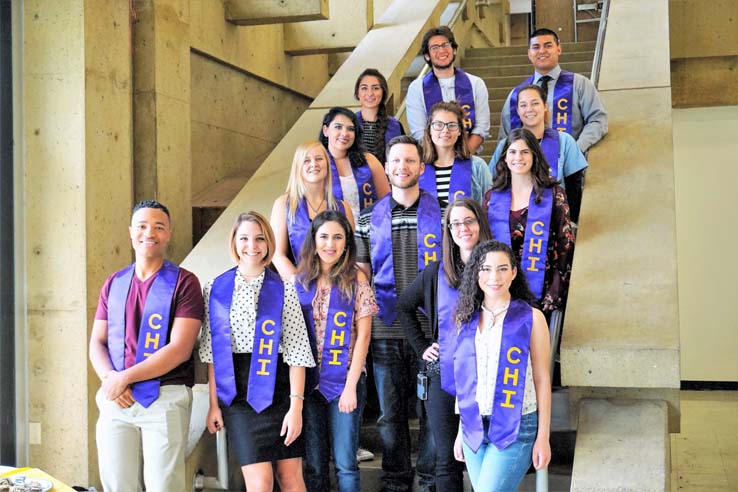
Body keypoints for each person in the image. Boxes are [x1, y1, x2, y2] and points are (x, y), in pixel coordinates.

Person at [89, 200, 203, 492]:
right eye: (141, 226)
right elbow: (97, 343)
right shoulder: (114, 283)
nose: (148, 233)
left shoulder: (184, 283)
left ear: (168, 234)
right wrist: (111, 381)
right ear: (130, 232)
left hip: (163, 396)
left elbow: (180, 348)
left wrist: (124, 377)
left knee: (164, 486)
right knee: (117, 484)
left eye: (158, 227)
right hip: (117, 399)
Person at [199, 211, 315, 492]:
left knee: (290, 478)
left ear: (268, 243)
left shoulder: (285, 290)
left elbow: (297, 353)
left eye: (260, 238)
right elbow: (213, 355)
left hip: (280, 391)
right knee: (260, 483)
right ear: (234, 242)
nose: (252, 245)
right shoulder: (215, 289)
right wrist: (214, 404)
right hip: (238, 397)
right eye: (245, 238)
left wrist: (295, 408)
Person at [355, 135, 442, 491]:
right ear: (386, 167)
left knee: (431, 413)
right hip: (385, 330)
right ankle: (394, 482)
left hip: (431, 332)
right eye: (395, 161)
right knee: (390, 416)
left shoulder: (447, 213)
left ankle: (428, 479)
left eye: (410, 161)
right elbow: (361, 275)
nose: (402, 167)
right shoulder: (365, 220)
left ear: (422, 167)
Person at [397, 198, 493, 492]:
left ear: (480, 224)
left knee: (485, 453)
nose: (463, 228)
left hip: (488, 374)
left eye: (469, 220)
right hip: (444, 374)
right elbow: (403, 306)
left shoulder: (498, 266)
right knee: (446, 459)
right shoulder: (436, 273)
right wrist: (422, 346)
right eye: (456, 223)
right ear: (448, 230)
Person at [452, 240, 551, 491]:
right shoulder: (467, 318)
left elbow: (542, 378)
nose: (494, 276)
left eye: (503, 268)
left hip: (515, 426)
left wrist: (543, 437)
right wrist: (459, 432)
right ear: (476, 273)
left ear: (514, 273)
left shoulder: (532, 317)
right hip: (473, 427)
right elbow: (466, 381)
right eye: (485, 269)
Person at [294, 210, 377, 492]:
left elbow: (364, 336)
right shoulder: (300, 282)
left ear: (346, 243)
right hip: (309, 384)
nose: (330, 244)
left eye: (338, 237)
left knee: (345, 464)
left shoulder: (357, 280)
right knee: (315, 465)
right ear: (314, 240)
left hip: (346, 382)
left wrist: (351, 386)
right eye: (324, 236)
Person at [484, 128, 575, 313]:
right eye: (513, 152)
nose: (518, 157)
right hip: (499, 291)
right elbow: (484, 246)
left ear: (534, 156)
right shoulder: (491, 198)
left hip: (543, 290)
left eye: (525, 152)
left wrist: (555, 291)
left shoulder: (554, 195)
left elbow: (565, 246)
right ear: (505, 157)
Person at [499, 27, 608, 155]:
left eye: (548, 45)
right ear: (529, 54)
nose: (542, 51)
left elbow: (598, 121)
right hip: (527, 168)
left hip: (569, 168)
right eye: (536, 47)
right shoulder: (516, 95)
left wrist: (574, 151)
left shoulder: (579, 84)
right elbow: (504, 137)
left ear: (559, 49)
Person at [490, 84, 588, 220]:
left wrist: (571, 222)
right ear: (517, 110)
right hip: (512, 221)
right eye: (523, 105)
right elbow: (495, 183)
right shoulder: (506, 145)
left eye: (535, 103)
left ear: (545, 106)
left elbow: (574, 189)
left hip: (554, 220)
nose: (529, 109)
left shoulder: (565, 141)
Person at [271, 141, 354, 281]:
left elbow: (350, 254)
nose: (314, 164)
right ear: (298, 168)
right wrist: (300, 286)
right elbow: (277, 254)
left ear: (327, 164)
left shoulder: (343, 208)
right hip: (297, 289)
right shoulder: (283, 205)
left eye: (319, 159)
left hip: (336, 288)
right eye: (306, 160)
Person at [406, 26, 490, 155]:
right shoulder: (416, 88)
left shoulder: (476, 84)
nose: (441, 50)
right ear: (427, 56)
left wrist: (462, 156)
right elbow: (419, 132)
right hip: (432, 159)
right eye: (434, 48)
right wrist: (441, 159)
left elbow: (481, 127)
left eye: (445, 45)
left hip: (469, 157)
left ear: (454, 50)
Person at [319, 106, 390, 219]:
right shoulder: (316, 163)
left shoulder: (369, 160)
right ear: (325, 130)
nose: (345, 133)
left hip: (367, 231)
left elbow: (386, 202)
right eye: (338, 127)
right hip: (331, 232)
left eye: (351, 129)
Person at [420, 101, 492, 209]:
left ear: (459, 131)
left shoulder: (477, 166)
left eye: (452, 125)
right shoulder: (418, 168)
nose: (445, 130)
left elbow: (491, 206)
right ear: (430, 129)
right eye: (438, 125)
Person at [354, 68, 406, 164]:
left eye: (376, 88)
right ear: (357, 93)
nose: (370, 93)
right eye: (364, 88)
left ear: (383, 92)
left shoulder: (395, 126)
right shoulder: (348, 123)